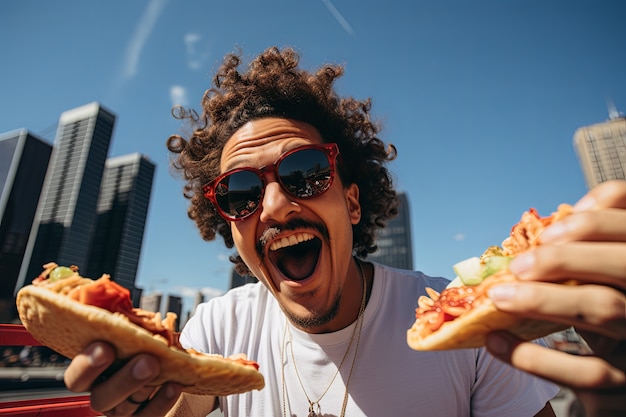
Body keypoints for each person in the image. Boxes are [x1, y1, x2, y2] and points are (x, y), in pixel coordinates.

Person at [62, 47, 625, 417]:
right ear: (227, 225)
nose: (277, 205)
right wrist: (138, 397)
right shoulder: (217, 328)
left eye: (304, 173)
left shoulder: (468, 331)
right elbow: (179, 403)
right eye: (240, 194)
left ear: (352, 203)